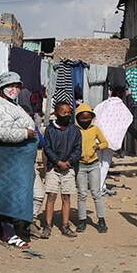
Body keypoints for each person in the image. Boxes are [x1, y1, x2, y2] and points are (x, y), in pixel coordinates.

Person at [0, 72, 39, 249]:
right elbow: (2, 132)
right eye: (10, 86)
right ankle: (8, 233)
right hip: (7, 159)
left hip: (17, 161)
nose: (14, 89)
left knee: (16, 196)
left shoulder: (13, 105)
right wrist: (26, 133)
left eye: (17, 86)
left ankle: (14, 230)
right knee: (6, 197)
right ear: (2, 88)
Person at [41, 101, 82, 239]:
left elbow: (78, 149)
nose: (67, 115)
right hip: (53, 168)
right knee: (51, 196)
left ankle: (65, 225)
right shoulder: (50, 130)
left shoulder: (75, 131)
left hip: (68, 169)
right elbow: (47, 148)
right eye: (63, 113)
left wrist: (68, 162)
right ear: (56, 113)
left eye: (69, 113)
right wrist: (57, 162)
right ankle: (47, 226)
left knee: (66, 197)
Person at [94, 86, 137, 196]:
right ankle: (99, 189)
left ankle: (100, 186)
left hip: (98, 137)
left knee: (98, 163)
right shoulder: (122, 108)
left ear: (111, 93)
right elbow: (128, 124)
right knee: (105, 163)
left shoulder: (103, 105)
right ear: (123, 95)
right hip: (110, 140)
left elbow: (94, 115)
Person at [75, 103, 110, 233]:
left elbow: (105, 143)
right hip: (80, 165)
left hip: (94, 164)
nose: (85, 120)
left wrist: (98, 147)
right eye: (82, 118)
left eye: (87, 118)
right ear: (78, 118)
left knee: (96, 193)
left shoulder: (95, 129)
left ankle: (101, 220)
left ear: (91, 118)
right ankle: (82, 220)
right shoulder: (75, 130)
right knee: (82, 194)